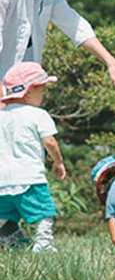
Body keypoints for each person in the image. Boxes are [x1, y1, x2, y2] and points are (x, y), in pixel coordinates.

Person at [0, 61, 66, 253]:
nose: (43, 96)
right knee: (43, 213)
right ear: (29, 91)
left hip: (2, 181)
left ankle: (10, 242)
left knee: (3, 215)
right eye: (42, 91)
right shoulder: (38, 114)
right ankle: (43, 244)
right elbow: (50, 142)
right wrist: (58, 162)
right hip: (30, 178)